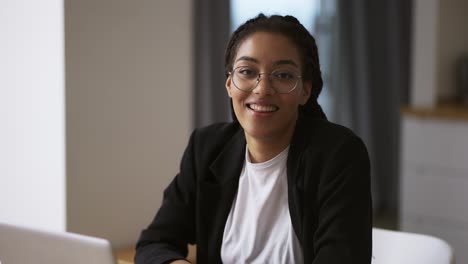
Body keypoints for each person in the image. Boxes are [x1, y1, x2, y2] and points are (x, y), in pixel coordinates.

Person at [135, 14, 372, 264]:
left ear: (305, 90)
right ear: (229, 83)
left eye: (283, 75)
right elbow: (155, 242)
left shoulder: (339, 154)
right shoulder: (207, 147)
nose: (262, 89)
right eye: (247, 71)